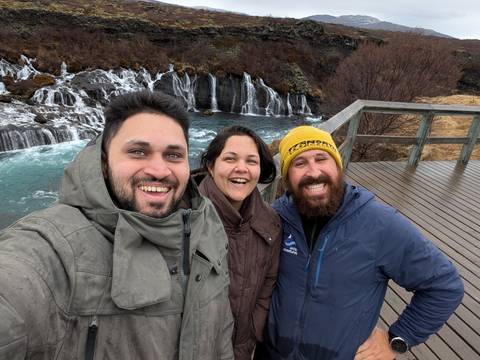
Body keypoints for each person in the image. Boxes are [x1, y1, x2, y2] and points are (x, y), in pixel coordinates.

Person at [0, 90, 234, 360]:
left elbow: (221, 333)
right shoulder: (54, 248)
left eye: (173, 156)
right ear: (104, 163)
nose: (159, 170)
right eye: (138, 152)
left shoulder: (207, 226)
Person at [261, 126, 464, 360]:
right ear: (287, 177)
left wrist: (398, 339)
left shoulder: (380, 224)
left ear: (338, 165)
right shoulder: (274, 218)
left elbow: (445, 284)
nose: (314, 171)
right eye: (299, 163)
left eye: (321, 158)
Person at [193, 125, 282, 360]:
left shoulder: (269, 222)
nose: (241, 168)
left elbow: (268, 282)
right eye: (230, 158)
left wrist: (254, 327)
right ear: (211, 166)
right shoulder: (183, 217)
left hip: (243, 349)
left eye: (251, 161)